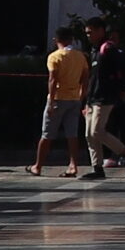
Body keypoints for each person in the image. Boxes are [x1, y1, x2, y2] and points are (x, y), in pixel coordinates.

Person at [35, 25, 95, 179]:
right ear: (71, 39)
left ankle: (38, 165)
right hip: (74, 99)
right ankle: (73, 165)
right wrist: (82, 96)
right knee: (72, 134)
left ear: (56, 40)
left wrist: (51, 100)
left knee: (47, 134)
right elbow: (86, 78)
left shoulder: (55, 57)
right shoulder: (80, 56)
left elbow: (52, 79)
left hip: (58, 98)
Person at [83, 16, 125, 180]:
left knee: (97, 131)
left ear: (101, 31)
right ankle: (97, 168)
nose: (88, 35)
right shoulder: (94, 50)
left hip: (105, 97)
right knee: (89, 134)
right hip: (93, 98)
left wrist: (123, 89)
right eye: (86, 33)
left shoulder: (108, 49)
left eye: (90, 32)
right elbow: (93, 78)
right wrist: (86, 101)